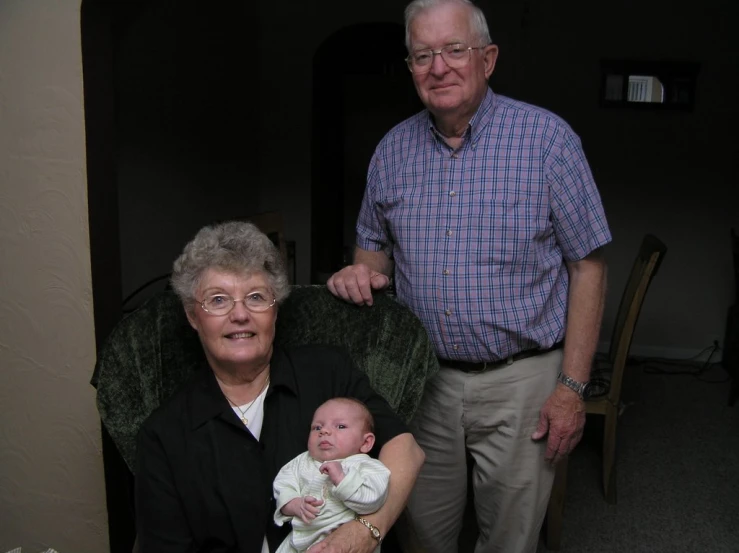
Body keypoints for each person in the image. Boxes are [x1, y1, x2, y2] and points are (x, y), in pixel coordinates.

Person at [326, 0, 612, 551]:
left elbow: (588, 266)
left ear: (488, 58)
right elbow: (373, 255)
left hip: (522, 383)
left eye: (455, 50)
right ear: (409, 67)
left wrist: (572, 389)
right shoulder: (390, 151)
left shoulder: (548, 141)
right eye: (422, 55)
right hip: (423, 380)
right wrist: (358, 276)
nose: (439, 67)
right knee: (423, 531)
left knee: (509, 537)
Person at [135, 221, 425, 553]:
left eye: (256, 297)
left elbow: (406, 450)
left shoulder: (326, 370)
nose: (240, 314)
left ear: (275, 309)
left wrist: (363, 532)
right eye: (218, 300)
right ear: (192, 316)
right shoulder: (164, 435)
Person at [274, 398, 391, 553]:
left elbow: (373, 499)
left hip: (348, 542)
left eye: (340, 426)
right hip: (298, 542)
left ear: (366, 443)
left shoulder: (367, 466)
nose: (324, 431)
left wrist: (342, 479)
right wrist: (294, 504)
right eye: (317, 427)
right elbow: (283, 485)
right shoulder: (302, 461)